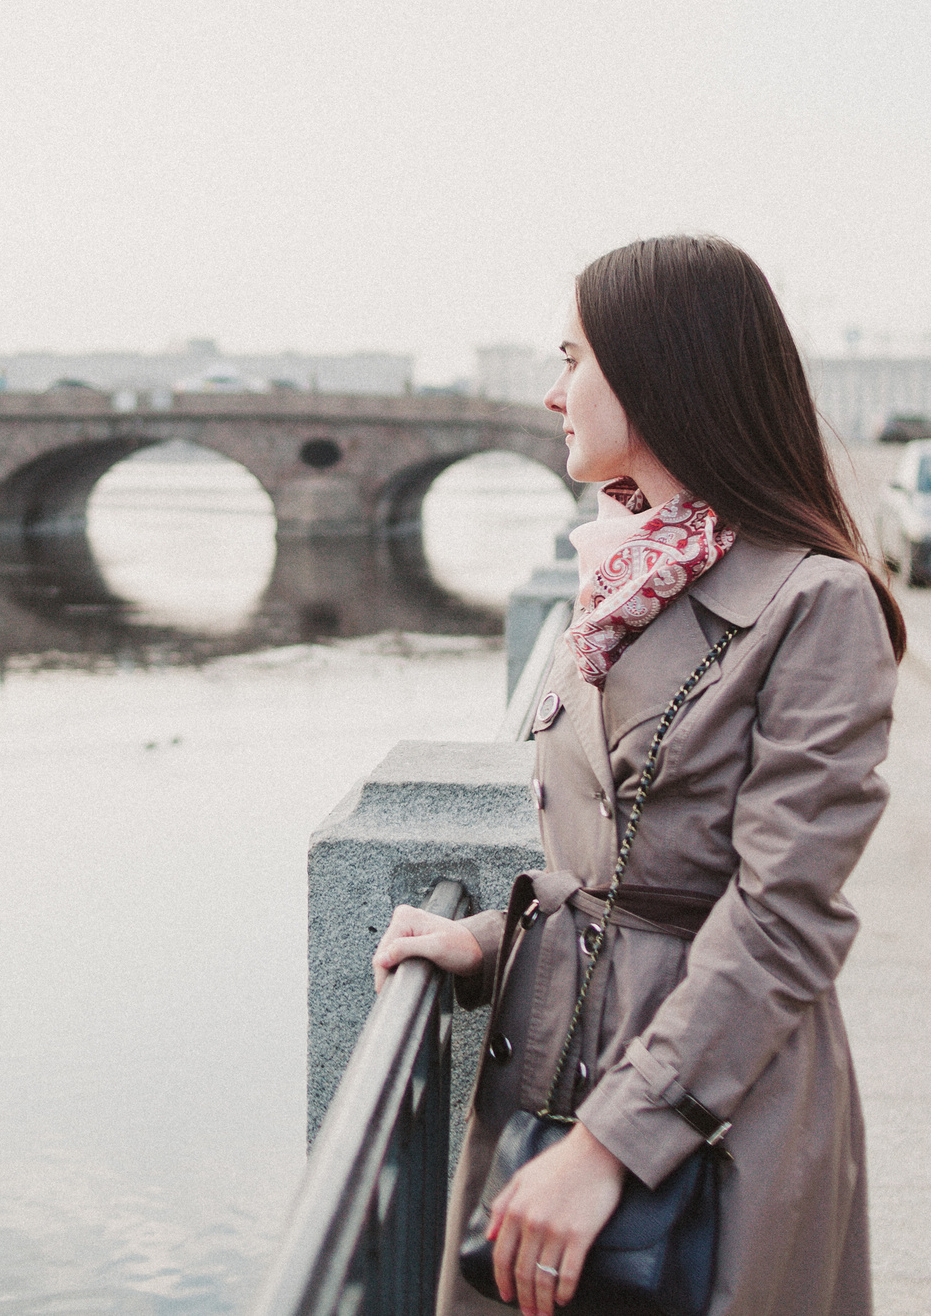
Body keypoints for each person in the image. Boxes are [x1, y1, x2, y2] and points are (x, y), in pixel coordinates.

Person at [368, 235, 901, 1316]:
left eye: (573, 359)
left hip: (709, 1107)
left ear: (659, 370)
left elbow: (783, 916)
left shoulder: (816, 602)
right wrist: (482, 941)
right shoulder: (616, 574)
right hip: (554, 1063)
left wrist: (612, 1143)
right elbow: (613, 858)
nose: (551, 392)